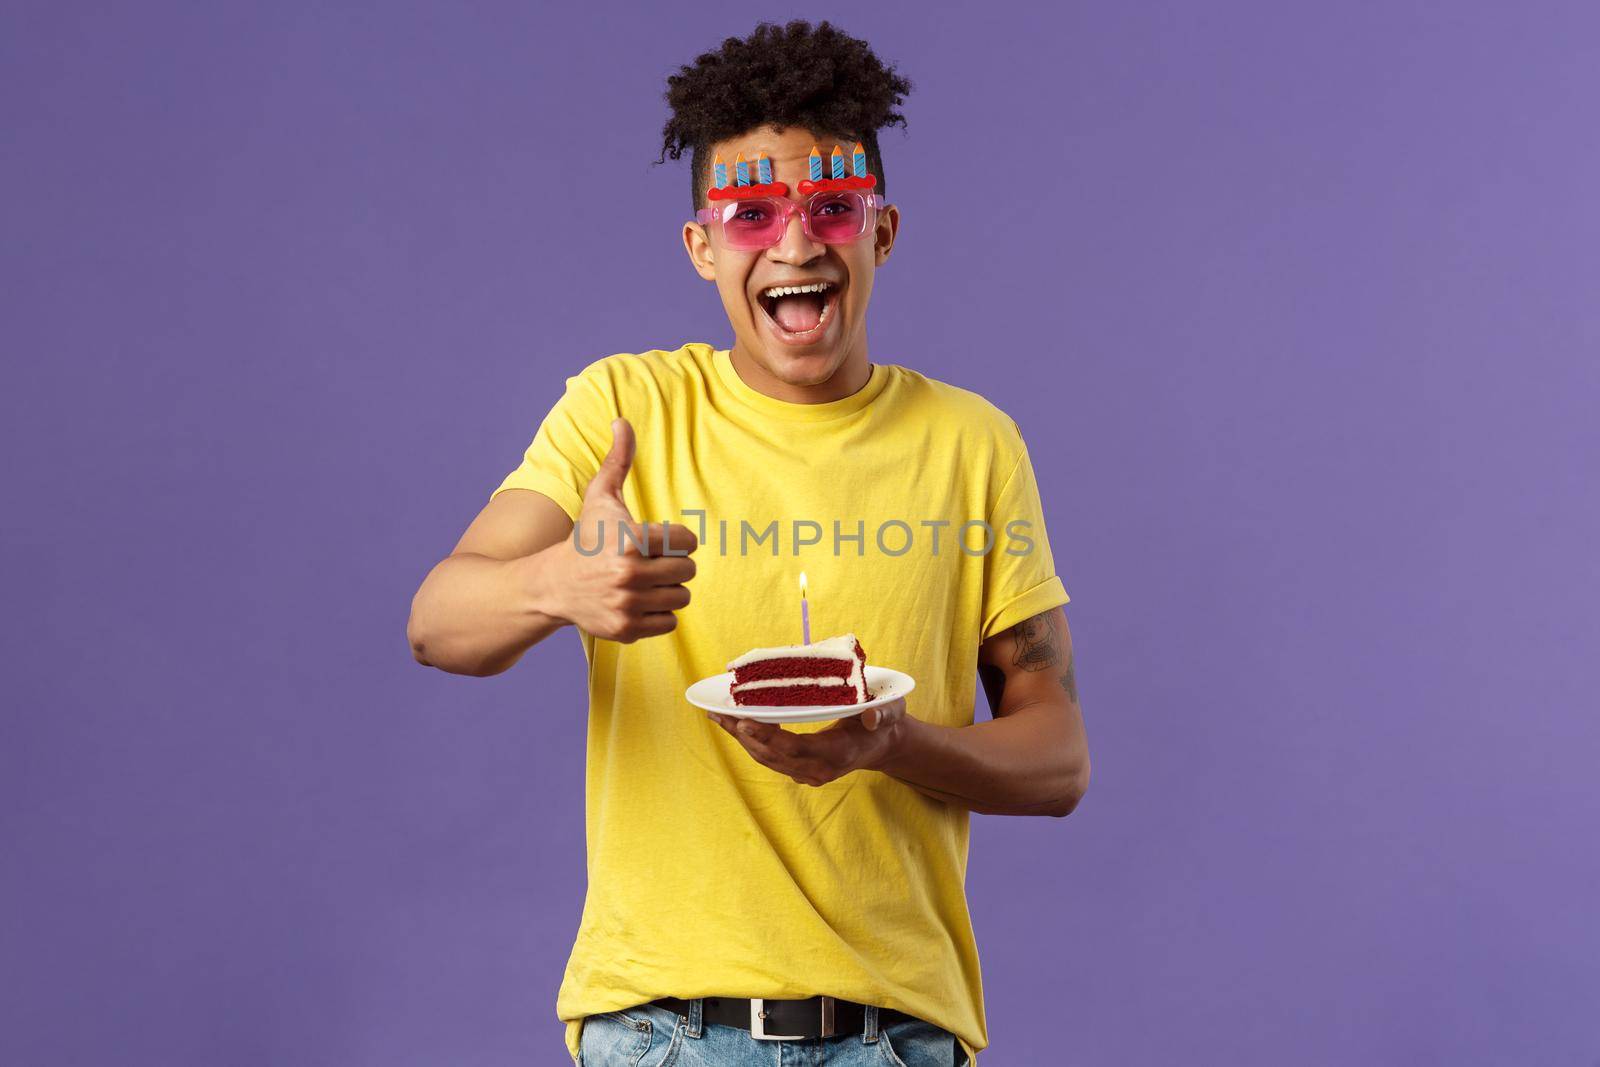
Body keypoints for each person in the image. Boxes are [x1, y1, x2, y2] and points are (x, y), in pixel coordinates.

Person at [407, 19, 1090, 1066]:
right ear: (701, 247)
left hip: (897, 1038)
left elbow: (1057, 759)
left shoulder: (974, 445)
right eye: (751, 213)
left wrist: (892, 742)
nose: (796, 242)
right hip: (664, 1031)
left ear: (882, 229)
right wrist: (560, 583)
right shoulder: (624, 409)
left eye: (831, 207)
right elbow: (437, 622)